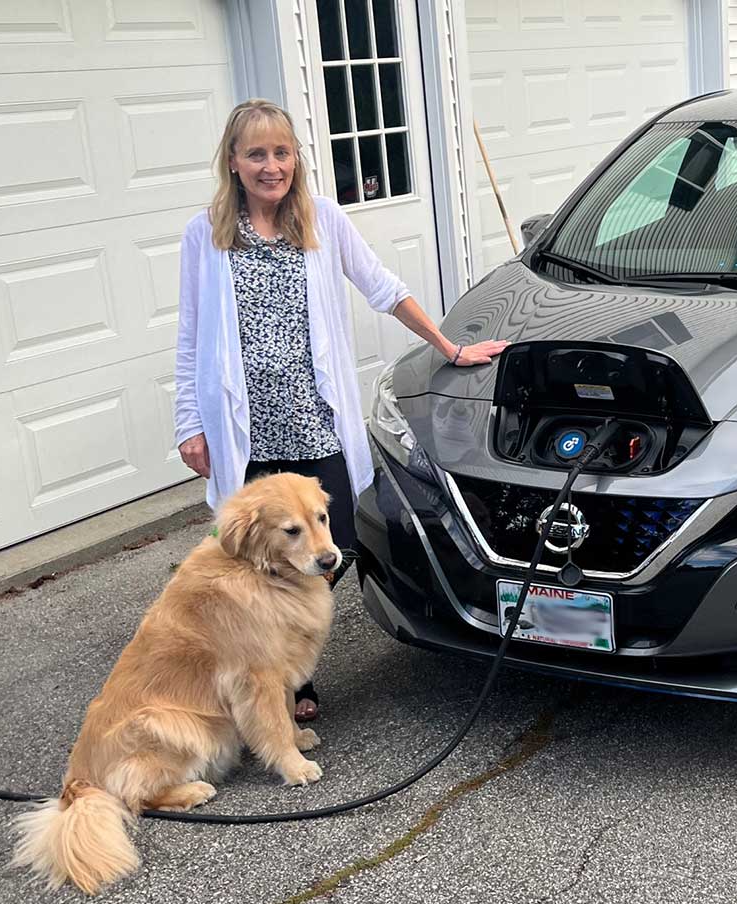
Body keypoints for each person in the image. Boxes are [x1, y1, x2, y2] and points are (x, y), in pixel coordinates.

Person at [174, 99, 507, 721]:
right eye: (256, 154)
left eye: (281, 152)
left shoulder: (321, 219)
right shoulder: (208, 232)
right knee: (250, 559)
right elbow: (191, 335)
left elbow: (384, 287)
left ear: (295, 158)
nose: (271, 166)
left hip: (314, 421)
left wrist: (449, 346)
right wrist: (189, 424)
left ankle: (287, 664)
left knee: (332, 546)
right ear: (233, 162)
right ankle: (274, 684)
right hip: (247, 431)